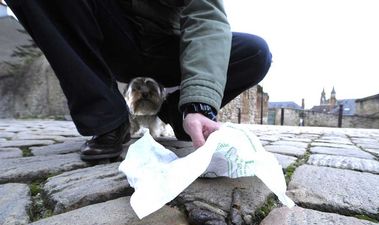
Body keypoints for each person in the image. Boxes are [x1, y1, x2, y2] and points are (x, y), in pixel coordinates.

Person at [5, 0, 272, 161]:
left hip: (169, 46)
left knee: (256, 52)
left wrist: (199, 104)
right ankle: (108, 120)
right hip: (110, 38)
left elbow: (207, 19)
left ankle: (179, 112)